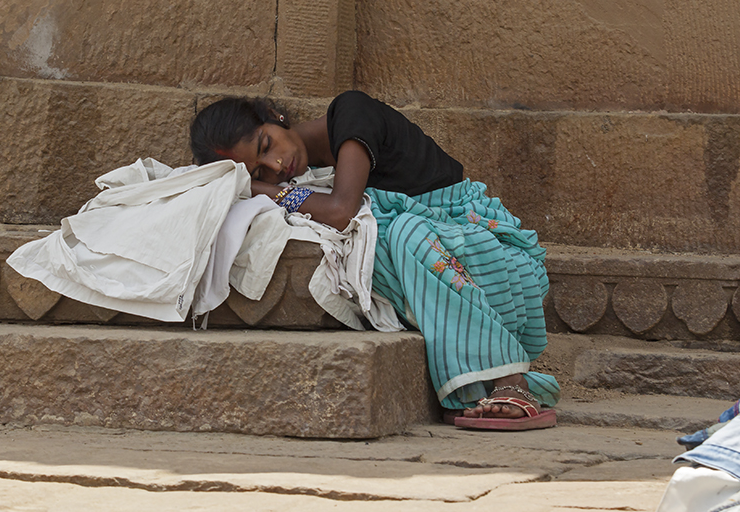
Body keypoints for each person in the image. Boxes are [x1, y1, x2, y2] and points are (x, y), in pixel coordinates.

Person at [190, 90, 559, 430]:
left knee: (400, 232)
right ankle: (475, 387)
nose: (276, 164)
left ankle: (513, 382)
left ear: (274, 115)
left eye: (266, 145)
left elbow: (340, 211)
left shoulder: (352, 114)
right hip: (443, 275)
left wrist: (260, 188)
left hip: (500, 264)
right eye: (259, 171)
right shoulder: (312, 180)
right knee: (370, 245)